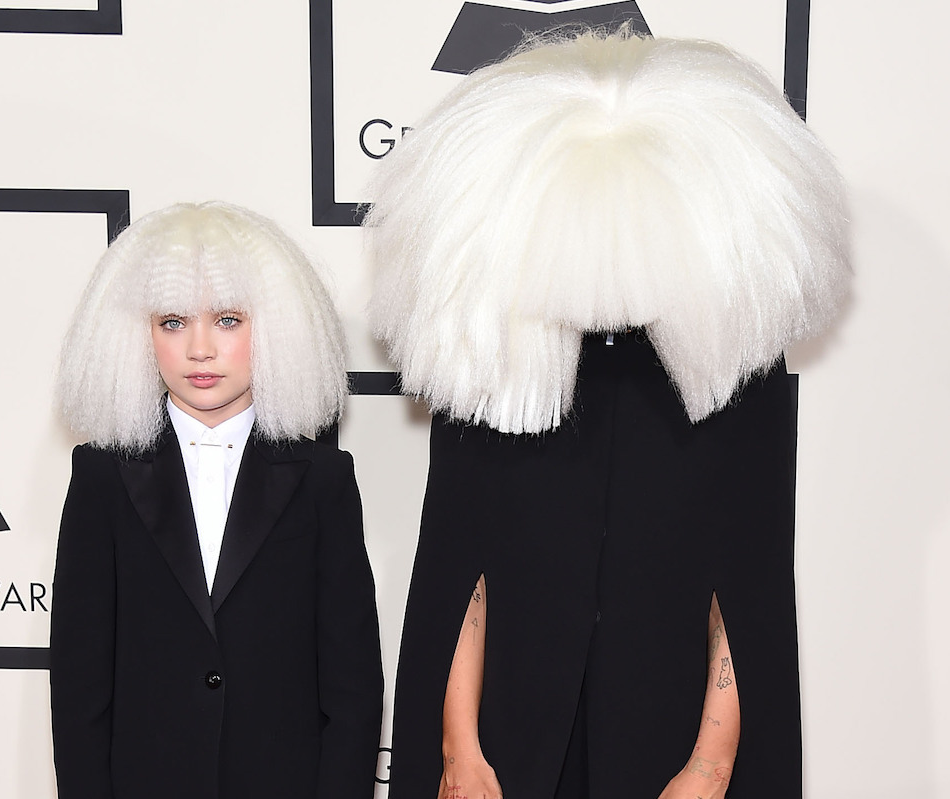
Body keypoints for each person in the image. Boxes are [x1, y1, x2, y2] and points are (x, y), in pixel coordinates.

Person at [365, 31, 851, 799]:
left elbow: (749, 591)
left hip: (673, 748)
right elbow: (458, 576)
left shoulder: (727, 372)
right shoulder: (502, 364)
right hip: (508, 745)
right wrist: (459, 747)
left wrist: (710, 764)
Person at [49, 201, 383, 799]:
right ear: (137, 333)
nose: (199, 349)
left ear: (276, 325)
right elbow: (79, 687)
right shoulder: (102, 476)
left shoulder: (323, 480)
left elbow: (353, 691)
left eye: (228, 319)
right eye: (173, 322)